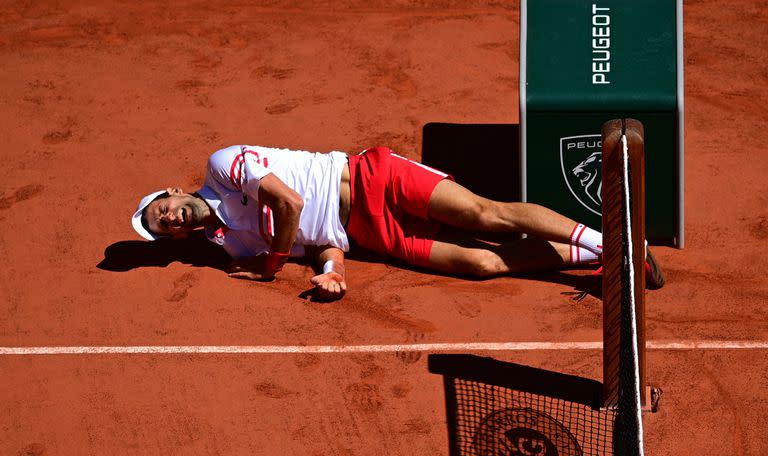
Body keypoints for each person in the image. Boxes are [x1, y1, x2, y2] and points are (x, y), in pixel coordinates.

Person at [132, 145, 664, 301]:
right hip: (367, 235)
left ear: (173, 192)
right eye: (165, 229)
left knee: (488, 215)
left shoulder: (223, 167)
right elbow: (315, 244)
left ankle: (616, 241)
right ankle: (601, 256)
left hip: (372, 179)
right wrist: (333, 270)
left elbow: (290, 205)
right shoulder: (230, 246)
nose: (171, 221)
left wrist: (271, 263)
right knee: (482, 263)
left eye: (164, 210)